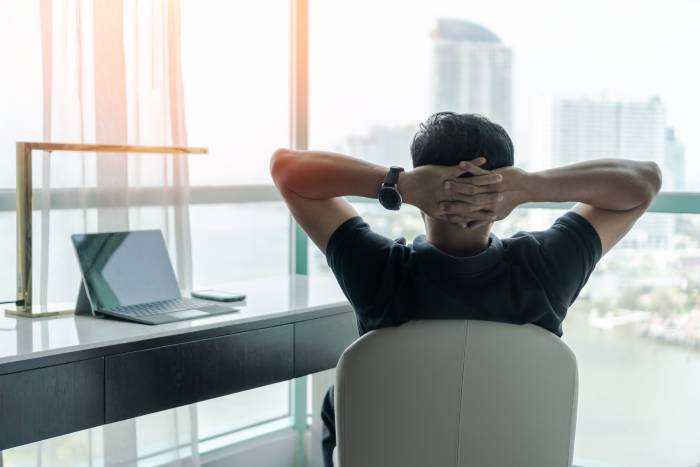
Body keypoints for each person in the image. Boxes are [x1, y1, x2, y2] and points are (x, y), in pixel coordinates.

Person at [269, 112, 662, 467]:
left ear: (420, 195)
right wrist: (530, 186)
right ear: (503, 192)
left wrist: (398, 183)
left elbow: (286, 169)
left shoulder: (378, 271)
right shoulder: (546, 267)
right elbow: (644, 181)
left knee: (333, 405)